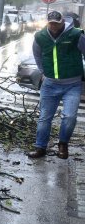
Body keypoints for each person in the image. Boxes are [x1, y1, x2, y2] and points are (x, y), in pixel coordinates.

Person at [28, 10, 85, 159]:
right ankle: (40, 147)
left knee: (70, 117)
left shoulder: (76, 35)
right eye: (51, 23)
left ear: (62, 22)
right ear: (48, 23)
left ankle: (63, 144)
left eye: (56, 23)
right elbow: (37, 55)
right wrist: (43, 71)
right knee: (44, 117)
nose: (53, 26)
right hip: (50, 84)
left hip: (72, 85)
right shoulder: (40, 36)